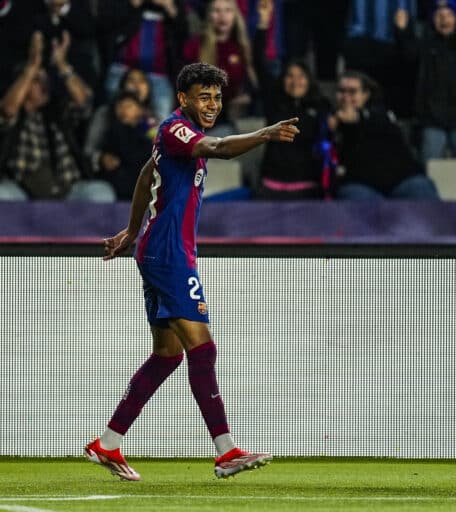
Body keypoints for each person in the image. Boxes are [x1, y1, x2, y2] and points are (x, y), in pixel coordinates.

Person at [84, 62, 299, 481]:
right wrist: (265, 134)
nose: (213, 105)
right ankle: (225, 450)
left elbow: (148, 174)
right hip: (168, 255)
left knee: (168, 355)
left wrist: (131, 231)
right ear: (183, 98)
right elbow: (217, 149)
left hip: (161, 250)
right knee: (204, 349)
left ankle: (107, 443)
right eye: (204, 96)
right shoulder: (175, 129)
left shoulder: (175, 139)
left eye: (217, 98)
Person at [0, 30, 114, 202]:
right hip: (22, 193)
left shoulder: (57, 111)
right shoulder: (15, 114)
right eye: (37, 81)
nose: (44, 85)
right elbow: (7, 110)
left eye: (45, 81)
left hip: (67, 192)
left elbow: (84, 101)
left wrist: (62, 65)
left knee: (101, 193)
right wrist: (32, 67)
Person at [396, 0, 456, 161]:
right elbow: (408, 57)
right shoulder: (426, 43)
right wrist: (402, 31)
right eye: (439, 15)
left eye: (449, 15)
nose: (444, 19)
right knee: (430, 169)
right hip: (432, 122)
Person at [328, 70, 439, 200]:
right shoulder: (331, 119)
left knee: (421, 190)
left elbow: (376, 119)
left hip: (402, 179)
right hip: (360, 183)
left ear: (365, 94)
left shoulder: (382, 113)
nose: (346, 97)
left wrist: (357, 117)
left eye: (352, 92)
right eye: (341, 91)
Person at [256, 60, 332, 199]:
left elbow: (313, 134)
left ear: (309, 80)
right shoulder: (274, 105)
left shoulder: (322, 106)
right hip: (272, 184)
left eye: (301, 76)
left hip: (309, 184)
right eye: (290, 76)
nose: (295, 81)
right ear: (283, 80)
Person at [183, 0, 257, 135]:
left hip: (231, 116)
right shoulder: (195, 45)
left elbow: (251, 84)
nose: (222, 16)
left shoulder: (243, 47)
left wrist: (245, 97)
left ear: (235, 15)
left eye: (228, 10)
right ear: (209, 15)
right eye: (216, 10)